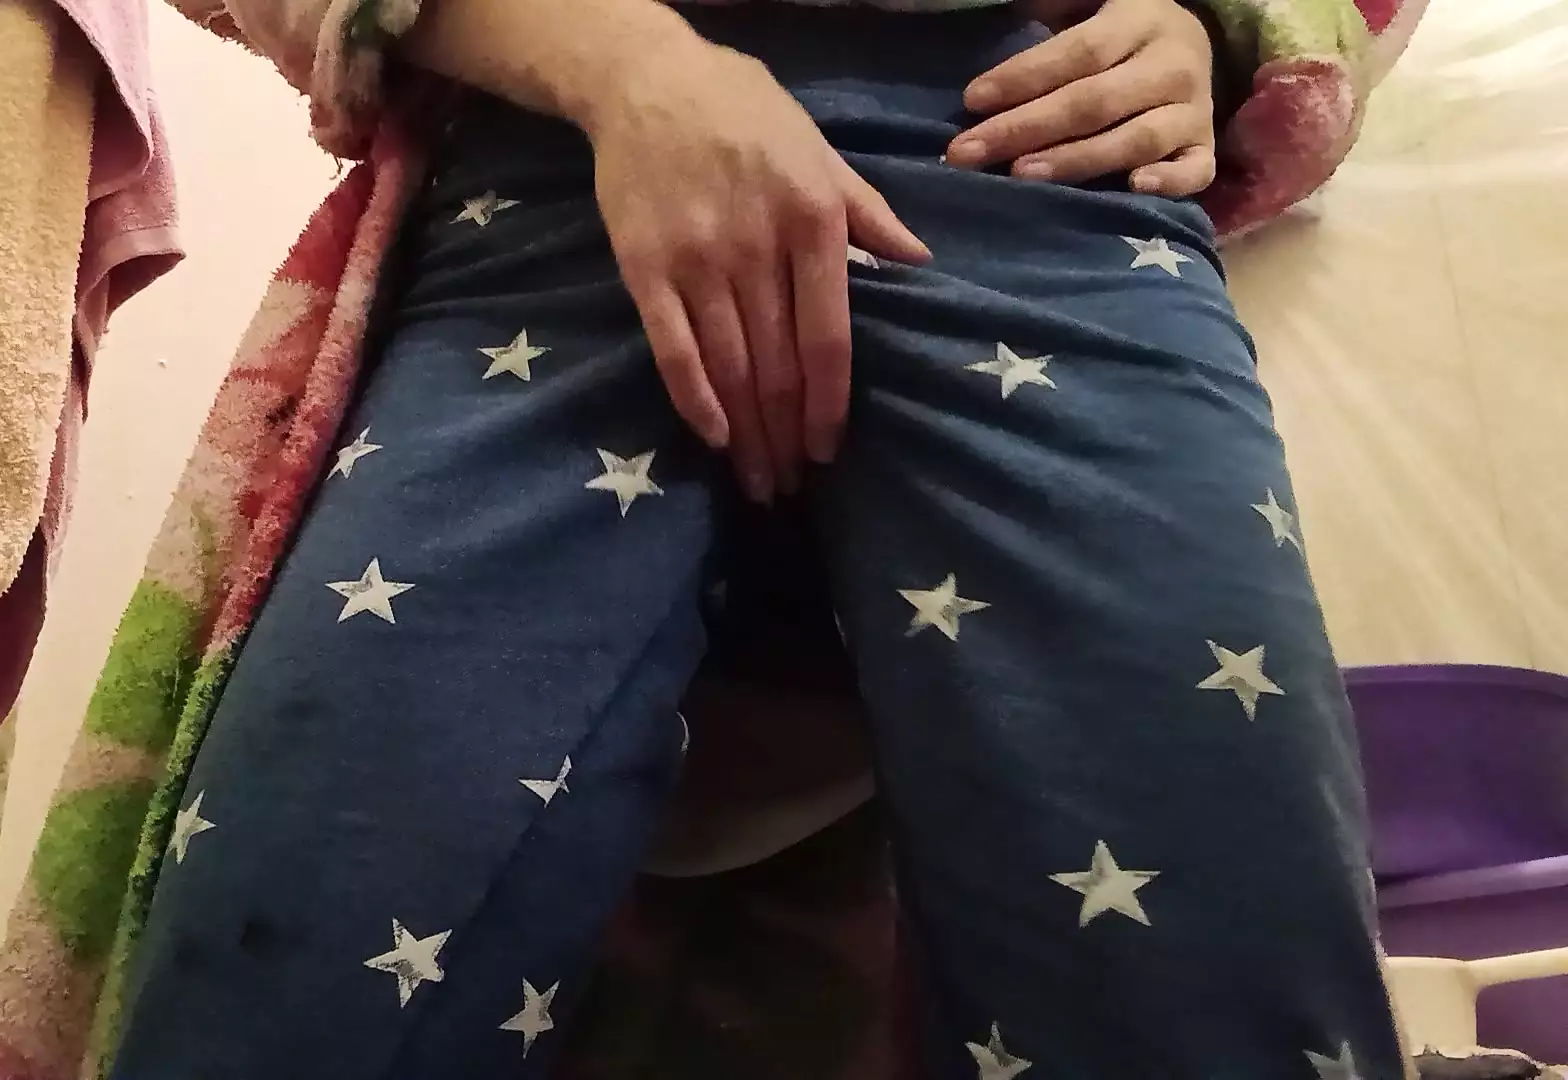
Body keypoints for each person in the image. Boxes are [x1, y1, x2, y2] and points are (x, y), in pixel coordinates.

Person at [104, 0, 1406, 1077]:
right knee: (292, 953)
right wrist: (624, 67)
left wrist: (1217, 34)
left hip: (1062, 156)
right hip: (561, 158)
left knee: (1218, 982)